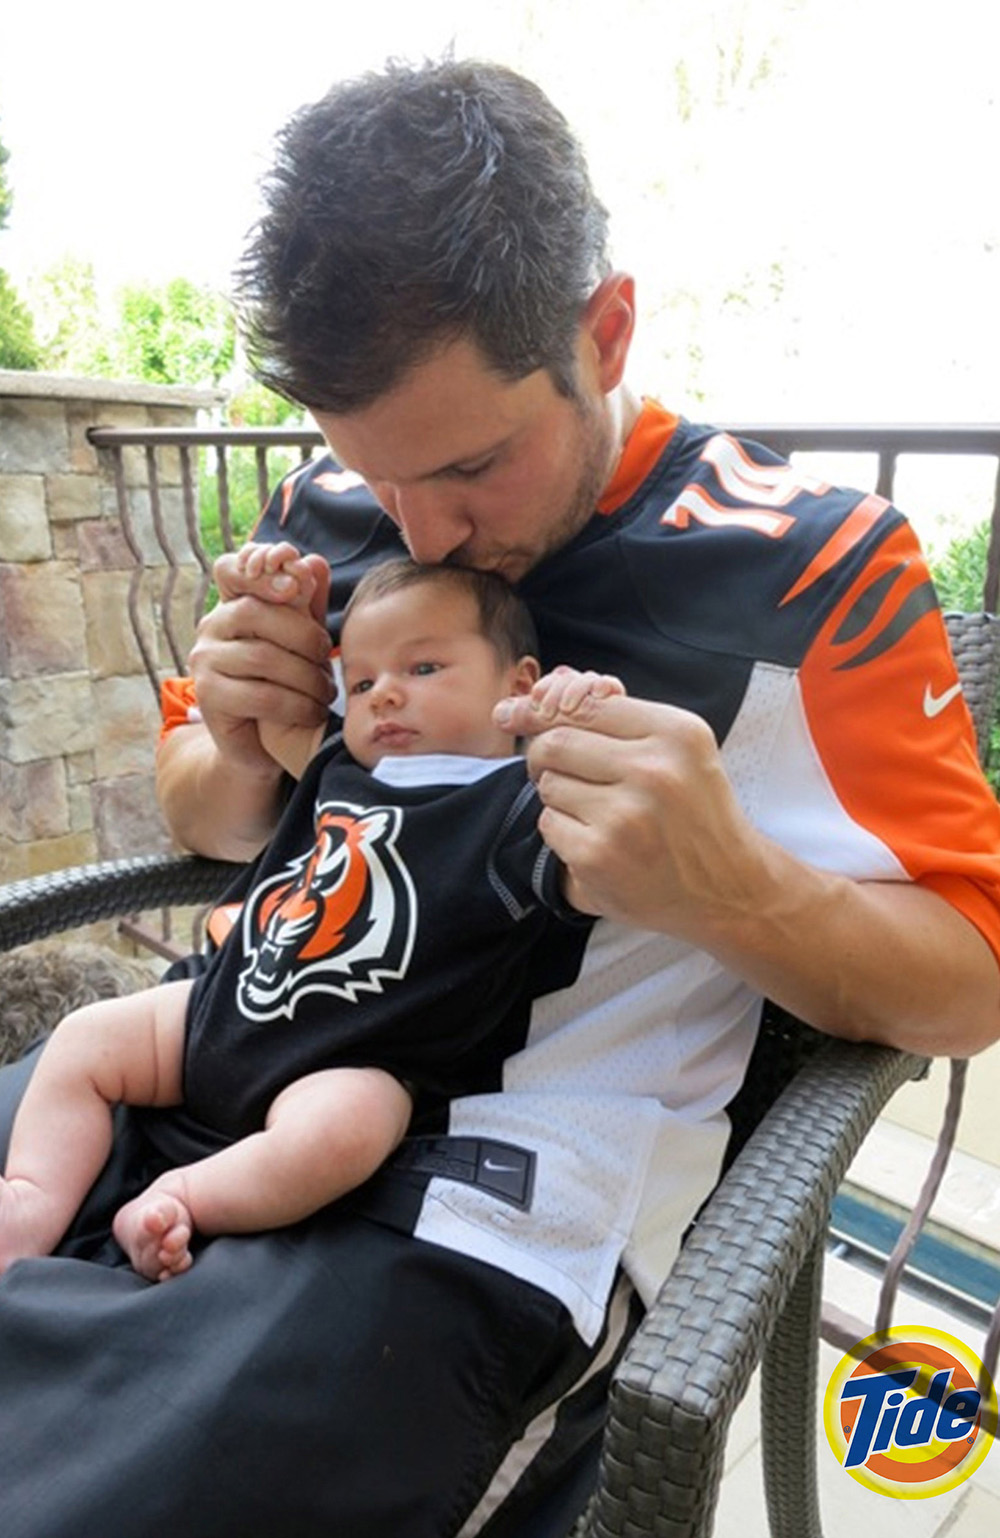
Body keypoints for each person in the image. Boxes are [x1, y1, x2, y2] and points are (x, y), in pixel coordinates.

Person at [2, 54, 1000, 1538]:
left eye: (473, 463)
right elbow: (211, 822)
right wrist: (241, 734)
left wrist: (728, 887)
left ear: (605, 332)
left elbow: (968, 987)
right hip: (192, 1064)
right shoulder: (328, 516)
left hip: (458, 1217)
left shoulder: (813, 571)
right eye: (371, 471)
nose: (419, 528)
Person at [0, 548, 618, 1284]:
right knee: (87, 1036)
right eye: (360, 682)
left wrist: (582, 723)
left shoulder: (518, 807)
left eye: (423, 669)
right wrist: (278, 606)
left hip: (350, 1060)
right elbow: (268, 718)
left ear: (518, 683)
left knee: (343, 1136)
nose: (385, 695)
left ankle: (183, 1197)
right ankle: (30, 1199)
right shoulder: (338, 767)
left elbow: (609, 863)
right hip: (217, 1011)